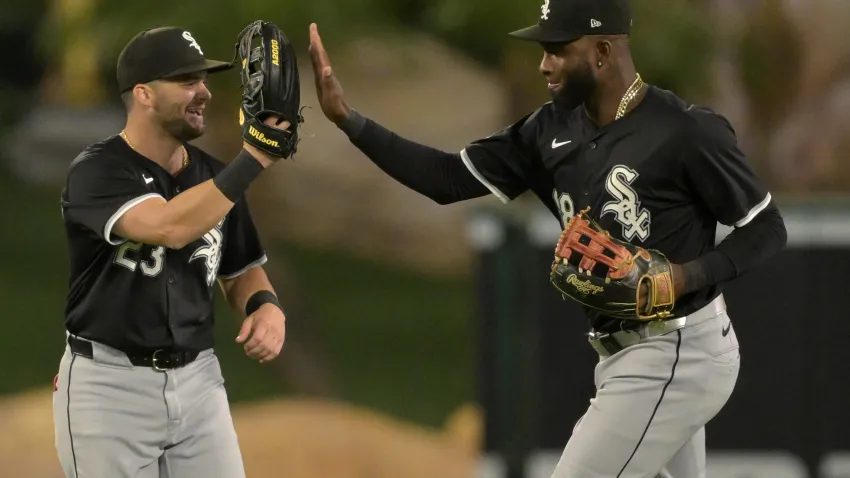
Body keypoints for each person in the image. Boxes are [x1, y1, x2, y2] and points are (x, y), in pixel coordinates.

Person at [307, 0, 788, 475]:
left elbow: (766, 227)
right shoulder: (548, 130)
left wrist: (684, 276)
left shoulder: (685, 131)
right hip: (624, 355)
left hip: (677, 350)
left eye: (558, 49)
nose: (544, 64)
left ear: (601, 52)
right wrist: (350, 121)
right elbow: (447, 179)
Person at [54, 26, 289, 478]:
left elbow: (241, 270)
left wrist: (265, 306)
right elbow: (170, 227)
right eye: (186, 81)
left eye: (203, 80)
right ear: (143, 93)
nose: (203, 92)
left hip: (199, 382)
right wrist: (255, 158)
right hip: (109, 388)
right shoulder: (98, 171)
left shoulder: (217, 179)